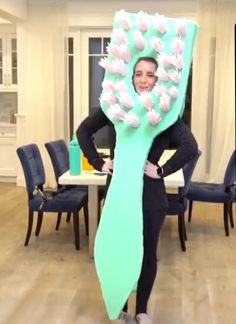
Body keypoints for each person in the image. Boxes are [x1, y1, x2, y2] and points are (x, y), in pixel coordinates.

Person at [76, 56, 198, 324]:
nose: (144, 79)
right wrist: (99, 162)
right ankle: (119, 307)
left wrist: (161, 170)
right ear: (131, 78)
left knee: (146, 252)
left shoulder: (165, 114)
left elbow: (190, 147)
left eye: (150, 75)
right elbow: (83, 131)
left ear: (158, 79)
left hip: (151, 197)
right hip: (119, 192)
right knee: (119, 249)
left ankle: (141, 310)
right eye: (139, 74)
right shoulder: (116, 106)